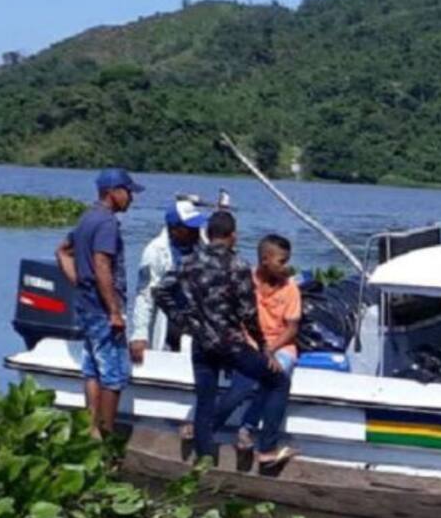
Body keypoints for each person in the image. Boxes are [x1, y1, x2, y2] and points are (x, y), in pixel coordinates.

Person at [153, 211, 295, 468]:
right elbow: (248, 314)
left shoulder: (189, 261)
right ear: (232, 236)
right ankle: (267, 450)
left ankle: (204, 461)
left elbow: (161, 290)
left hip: (202, 342)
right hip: (232, 344)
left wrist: (183, 320)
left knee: (205, 400)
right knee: (277, 381)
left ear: (208, 234)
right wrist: (264, 347)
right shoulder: (237, 265)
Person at [56, 167, 144, 438]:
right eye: (128, 191)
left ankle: (90, 429)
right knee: (114, 376)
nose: (131, 197)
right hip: (102, 309)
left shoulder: (87, 218)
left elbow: (62, 251)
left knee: (93, 369)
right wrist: (114, 311)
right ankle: (105, 436)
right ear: (112, 193)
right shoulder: (106, 223)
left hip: (86, 305)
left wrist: (81, 283)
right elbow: (102, 265)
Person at [215, 234, 301, 451]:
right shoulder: (245, 281)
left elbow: (292, 329)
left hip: (280, 345)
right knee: (242, 384)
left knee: (276, 373)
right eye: (282, 261)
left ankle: (247, 426)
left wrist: (269, 349)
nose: (286, 267)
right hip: (248, 343)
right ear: (265, 259)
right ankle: (208, 426)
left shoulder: (290, 288)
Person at [129, 199, 208, 364]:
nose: (195, 230)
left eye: (196, 226)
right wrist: (140, 334)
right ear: (174, 229)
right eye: (189, 227)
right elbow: (145, 296)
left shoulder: (204, 245)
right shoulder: (155, 251)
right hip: (168, 320)